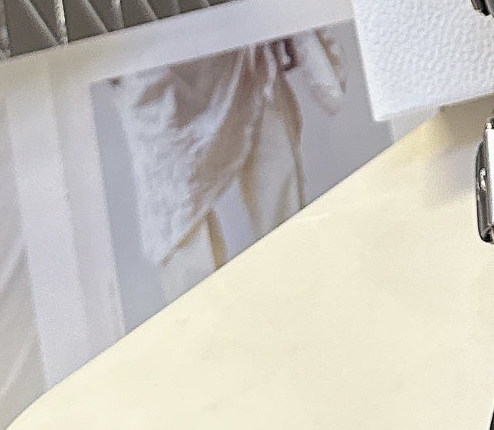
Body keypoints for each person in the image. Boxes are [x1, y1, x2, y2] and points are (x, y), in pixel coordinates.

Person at [109, 36, 329, 300]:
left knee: (276, 175)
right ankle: (206, 319)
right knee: (178, 213)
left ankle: (302, 295)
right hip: (147, 56)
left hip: (234, 40)